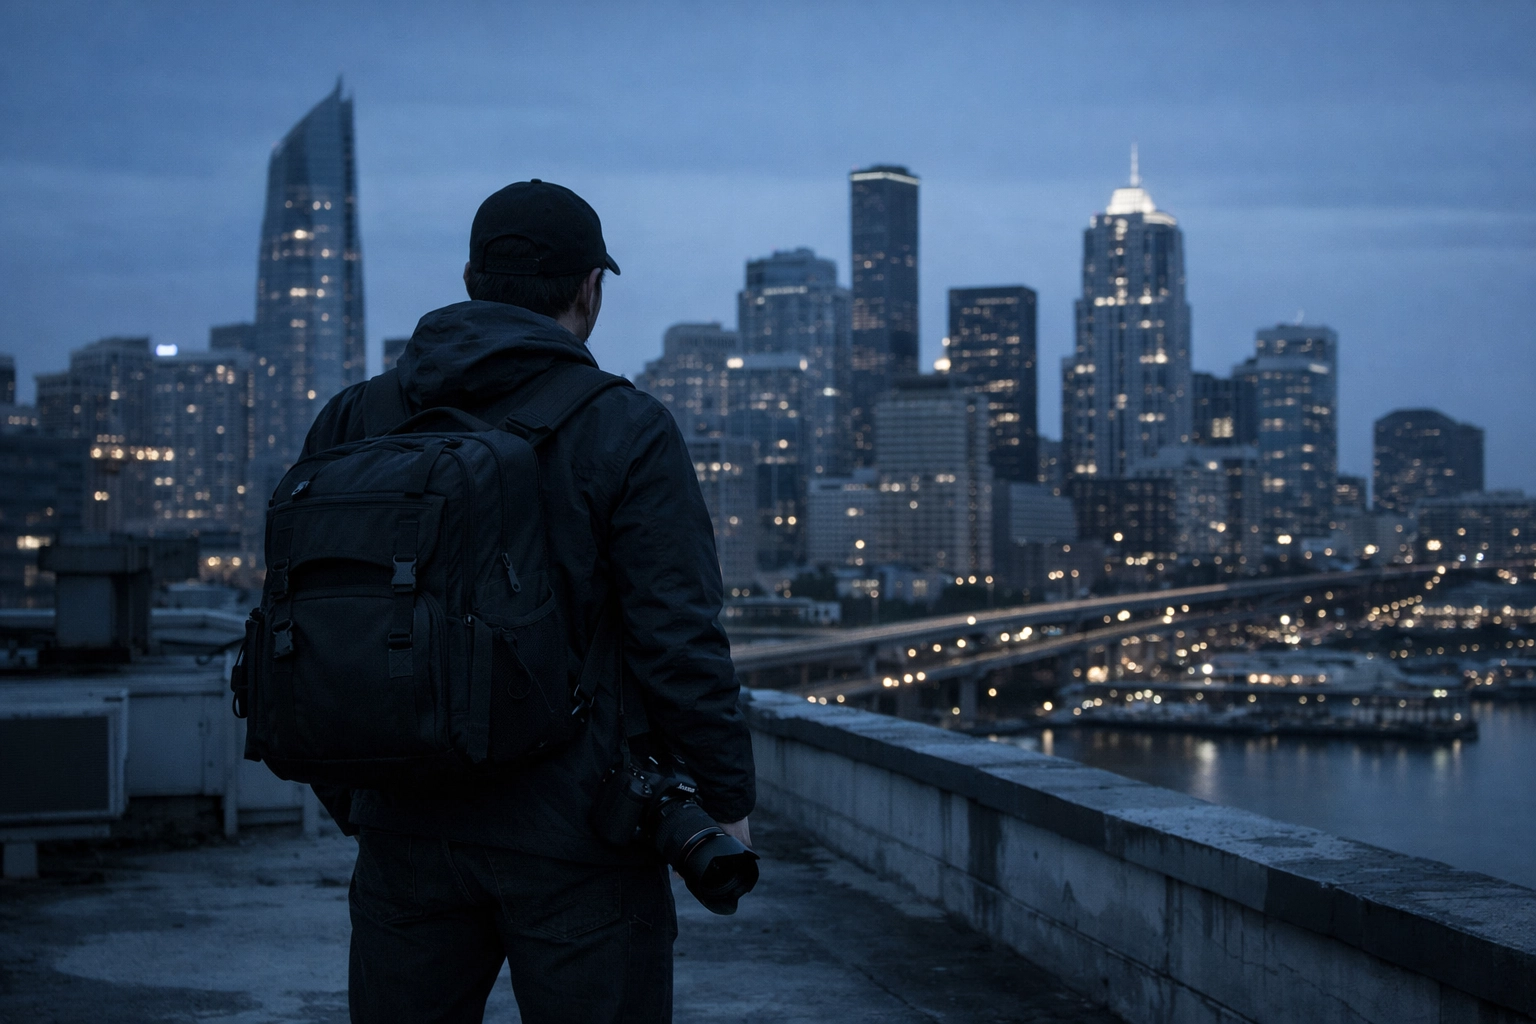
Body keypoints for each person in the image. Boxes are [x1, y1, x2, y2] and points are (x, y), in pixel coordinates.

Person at [300, 180, 756, 1023]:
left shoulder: (352, 419)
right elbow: (680, 641)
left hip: (404, 826)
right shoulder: (626, 427)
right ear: (590, 289)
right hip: (582, 837)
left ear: (471, 279)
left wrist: (362, 801)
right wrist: (725, 804)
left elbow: (309, 623)